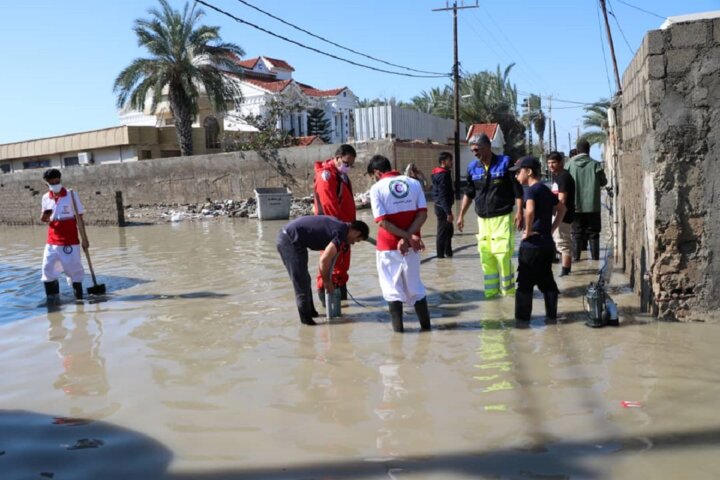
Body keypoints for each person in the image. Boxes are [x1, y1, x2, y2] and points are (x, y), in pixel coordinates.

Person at [367, 155, 431, 333]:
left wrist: (404, 237)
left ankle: (399, 336)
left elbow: (382, 222)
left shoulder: (377, 188)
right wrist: (410, 237)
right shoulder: (414, 183)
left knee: (392, 290)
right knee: (416, 288)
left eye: (373, 176)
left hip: (388, 247)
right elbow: (423, 214)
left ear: (377, 173)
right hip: (413, 246)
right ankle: (427, 330)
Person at [457, 134, 523, 298]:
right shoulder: (473, 168)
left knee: (502, 255)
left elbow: (518, 191)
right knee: (486, 257)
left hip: (503, 217)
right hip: (483, 219)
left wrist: (520, 212)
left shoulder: (505, 163)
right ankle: (491, 295)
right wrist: (461, 215)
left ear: (487, 146)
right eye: (472, 150)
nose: (474, 152)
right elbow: (469, 193)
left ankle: (508, 294)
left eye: (476, 149)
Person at [277, 216, 369, 326]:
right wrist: (326, 281)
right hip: (289, 240)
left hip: (296, 240)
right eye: (357, 240)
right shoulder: (340, 232)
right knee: (301, 284)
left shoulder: (342, 228)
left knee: (305, 279)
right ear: (355, 232)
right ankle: (307, 325)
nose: (354, 243)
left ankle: (313, 314)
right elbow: (324, 259)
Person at [510, 156, 566, 323]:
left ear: (528, 172)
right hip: (547, 245)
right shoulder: (545, 189)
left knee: (524, 285)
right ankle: (551, 318)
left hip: (532, 246)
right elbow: (562, 209)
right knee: (546, 281)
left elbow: (529, 211)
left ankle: (522, 323)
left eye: (518, 172)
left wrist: (527, 231)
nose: (516, 176)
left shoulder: (530, 190)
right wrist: (551, 229)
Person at [313, 144, 357, 305]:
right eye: (346, 163)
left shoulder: (341, 176)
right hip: (334, 230)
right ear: (337, 158)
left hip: (345, 229)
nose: (348, 167)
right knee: (330, 265)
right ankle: (329, 304)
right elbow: (329, 206)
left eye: (351, 164)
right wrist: (341, 230)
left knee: (342, 267)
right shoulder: (326, 176)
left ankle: (342, 304)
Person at [40, 168, 87, 303]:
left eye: (57, 180)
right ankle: (53, 302)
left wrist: (85, 239)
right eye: (51, 181)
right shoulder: (45, 198)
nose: (55, 183)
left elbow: (80, 218)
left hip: (69, 240)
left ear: (60, 179)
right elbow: (43, 219)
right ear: (47, 183)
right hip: (52, 241)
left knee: (74, 271)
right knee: (47, 269)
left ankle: (79, 301)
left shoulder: (71, 195)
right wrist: (45, 216)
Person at [565, 139, 608, 261]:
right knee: (594, 234)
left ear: (577, 150)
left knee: (576, 234)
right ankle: (595, 261)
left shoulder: (569, 165)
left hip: (575, 206)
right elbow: (603, 182)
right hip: (593, 206)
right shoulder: (595, 164)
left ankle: (576, 260)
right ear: (589, 150)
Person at [547, 151, 575, 276]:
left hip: (562, 215)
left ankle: (566, 272)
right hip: (558, 214)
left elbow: (562, 199)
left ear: (561, 163)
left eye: (553, 162)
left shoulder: (563, 177)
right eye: (548, 163)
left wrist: (556, 214)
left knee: (563, 243)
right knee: (559, 241)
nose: (550, 165)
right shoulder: (557, 176)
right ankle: (565, 269)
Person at [431, 152, 455, 258]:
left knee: (448, 231)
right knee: (442, 232)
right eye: (450, 160)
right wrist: (448, 212)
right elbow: (442, 195)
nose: (452, 162)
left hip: (442, 206)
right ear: (443, 162)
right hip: (442, 208)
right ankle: (440, 256)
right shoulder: (443, 176)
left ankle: (448, 253)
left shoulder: (441, 173)